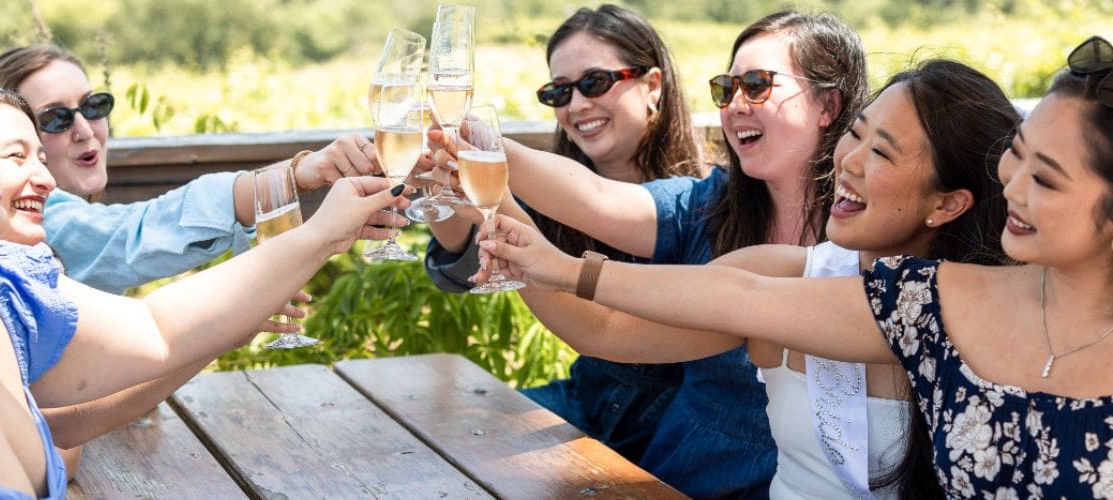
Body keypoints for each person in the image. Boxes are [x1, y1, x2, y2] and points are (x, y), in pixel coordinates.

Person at [479, 36, 1113, 497]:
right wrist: (497, 195)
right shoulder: (895, 293)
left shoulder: (961, 302)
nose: (849, 159)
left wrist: (552, 259)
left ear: (948, 202)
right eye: (857, 136)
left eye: (882, 151)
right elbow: (660, 311)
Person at [0, 59, 408, 497]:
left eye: (94, 106)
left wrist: (323, 236)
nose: (41, 178)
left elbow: (157, 330)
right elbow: (137, 234)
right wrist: (307, 203)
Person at [432, 10, 869, 496]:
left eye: (757, 84)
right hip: (681, 467)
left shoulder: (872, 244)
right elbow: (596, 199)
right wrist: (480, 148)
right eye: (726, 89)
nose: (735, 105)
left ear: (828, 104)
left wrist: (530, 240)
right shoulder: (708, 203)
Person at [422, 4, 705, 463]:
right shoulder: (552, 189)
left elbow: (619, 334)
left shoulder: (704, 202)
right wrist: (442, 185)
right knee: (430, 445)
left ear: (653, 85)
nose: (576, 106)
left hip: (670, 430)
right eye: (559, 92)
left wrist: (491, 178)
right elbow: (457, 265)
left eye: (595, 83)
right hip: (585, 401)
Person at [0, 45, 381, 294]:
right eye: (55, 119)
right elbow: (133, 235)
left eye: (93, 106)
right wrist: (299, 175)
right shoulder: (37, 222)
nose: (85, 129)